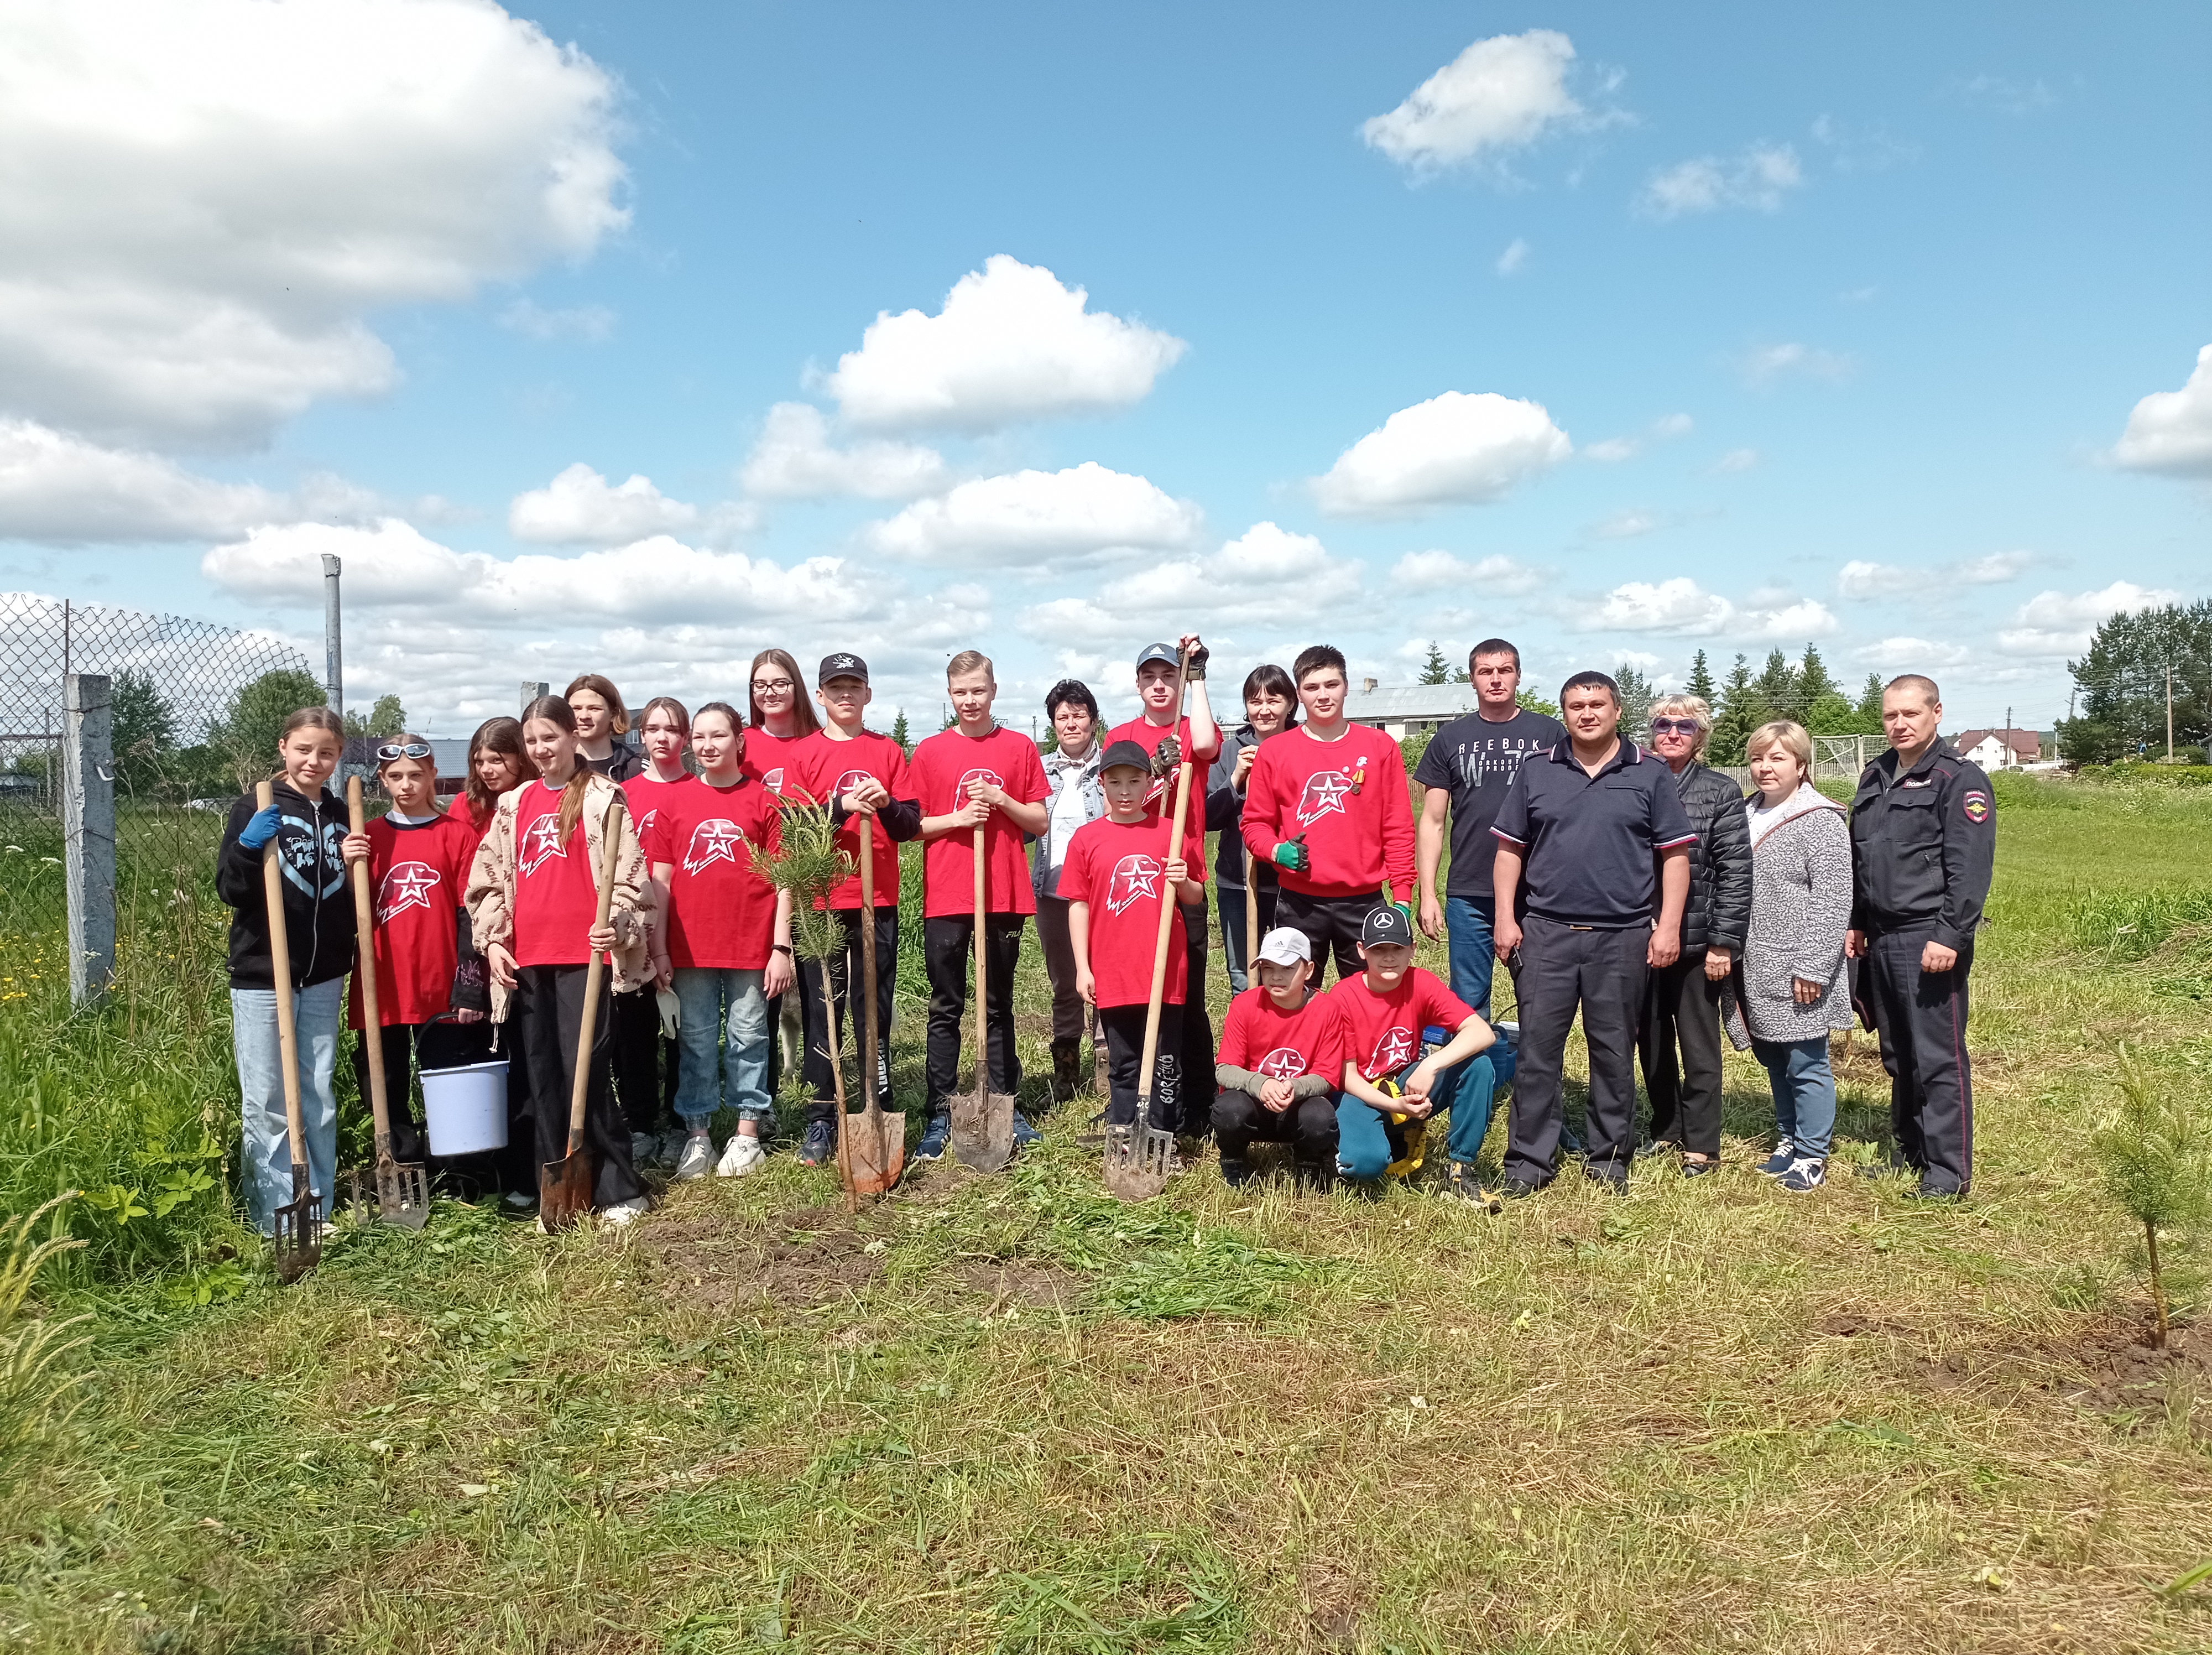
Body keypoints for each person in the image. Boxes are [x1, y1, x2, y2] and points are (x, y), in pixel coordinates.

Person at [1491, 672, 1694, 1194]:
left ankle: (1609, 1158)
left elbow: (1675, 857)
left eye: (1597, 704)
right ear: (1565, 713)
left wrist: (1667, 926)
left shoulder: (1649, 774)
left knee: (1612, 1052)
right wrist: (1505, 917)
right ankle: (1529, 1162)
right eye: (1576, 705)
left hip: (1622, 937)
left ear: (1617, 710)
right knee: (1538, 1052)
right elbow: (1509, 850)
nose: (1587, 713)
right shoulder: (1537, 771)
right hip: (1547, 934)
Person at [466, 694, 653, 1227]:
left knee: (585, 1071)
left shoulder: (603, 798)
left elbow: (631, 881)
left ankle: (618, 1185)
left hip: (584, 961)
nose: (542, 749)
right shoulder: (514, 805)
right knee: (544, 1072)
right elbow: (484, 884)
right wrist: (496, 941)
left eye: (551, 737)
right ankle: (558, 1179)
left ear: (573, 736)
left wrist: (615, 922)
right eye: (532, 741)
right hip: (529, 960)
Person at [1846, 675, 1994, 1199]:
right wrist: (1858, 921)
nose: (1899, 724)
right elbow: (1864, 857)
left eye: (1911, 714)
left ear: (1936, 713)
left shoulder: (1959, 780)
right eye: (1891, 716)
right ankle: (1910, 1151)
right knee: (1898, 1052)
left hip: (1928, 936)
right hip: (1881, 936)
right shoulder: (1876, 775)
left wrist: (1950, 935)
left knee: (1938, 1055)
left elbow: (1970, 868)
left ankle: (1948, 1173)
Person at [217, 705, 359, 1237]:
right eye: (304, 749)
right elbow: (231, 890)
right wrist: (250, 847)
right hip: (263, 971)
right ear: (283, 748)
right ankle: (274, 1213)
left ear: (339, 755)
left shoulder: (345, 813)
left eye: (326, 752)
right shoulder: (255, 807)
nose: (314, 761)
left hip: (324, 972)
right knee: (270, 1096)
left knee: (317, 1090)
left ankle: (315, 1203)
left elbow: (345, 901)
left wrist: (351, 864)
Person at [643, 702, 794, 1180]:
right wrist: (660, 947)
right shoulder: (676, 801)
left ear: (738, 741)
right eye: (701, 738)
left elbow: (784, 880)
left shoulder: (764, 802)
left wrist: (781, 947)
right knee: (696, 1041)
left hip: (750, 943)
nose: (709, 746)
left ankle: (748, 1134)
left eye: (720, 737)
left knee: (749, 1037)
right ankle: (698, 1135)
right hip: (689, 947)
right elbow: (660, 879)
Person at [911, 650, 1050, 1160]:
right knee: (946, 1004)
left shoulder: (1018, 747)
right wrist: (959, 817)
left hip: (1003, 894)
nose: (970, 701)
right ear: (950, 696)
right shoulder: (928, 752)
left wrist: (1000, 800)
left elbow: (1038, 821)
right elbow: (912, 826)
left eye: (978, 690)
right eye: (961, 692)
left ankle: (1006, 1103)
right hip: (947, 896)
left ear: (994, 691)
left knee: (998, 1004)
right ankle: (941, 1110)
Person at [789, 653, 921, 1168]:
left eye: (855, 687)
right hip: (823, 900)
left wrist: (885, 804)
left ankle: (874, 1097)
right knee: (824, 1010)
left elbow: (909, 824)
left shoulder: (887, 751)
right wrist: (841, 806)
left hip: (875, 901)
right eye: (835, 687)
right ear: (820, 696)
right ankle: (824, 1114)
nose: (845, 695)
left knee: (874, 1007)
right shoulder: (805, 754)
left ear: (869, 695)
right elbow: (793, 823)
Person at [345, 735, 489, 1175]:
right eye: (395, 777)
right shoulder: (367, 837)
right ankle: (404, 1164)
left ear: (431, 777)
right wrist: (349, 867)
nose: (405, 785)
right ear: (383, 781)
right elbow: (350, 912)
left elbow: (471, 914)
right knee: (382, 1082)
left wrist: (469, 985)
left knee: (447, 1080)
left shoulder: (457, 836)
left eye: (415, 775)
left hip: (438, 984)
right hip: (383, 983)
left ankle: (455, 1168)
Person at [1724, 720, 1855, 1193]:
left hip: (1798, 963)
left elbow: (1833, 898)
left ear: (1802, 765)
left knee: (1805, 1060)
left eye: (1778, 758)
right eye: (1758, 758)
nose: (1765, 768)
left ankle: (1813, 1153)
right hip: (1754, 962)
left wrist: (1814, 966)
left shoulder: (1820, 819)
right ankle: (1788, 1138)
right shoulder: (1743, 813)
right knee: (1773, 1056)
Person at [1413, 639, 1566, 1022]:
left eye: (1505, 670)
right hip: (1469, 891)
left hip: (1537, 891)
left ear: (1518, 675)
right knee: (1467, 1002)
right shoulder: (1450, 739)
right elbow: (1432, 821)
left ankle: (1537, 1080)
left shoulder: (1550, 735)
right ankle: (1474, 1079)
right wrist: (1428, 893)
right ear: (1472, 679)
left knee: (1540, 998)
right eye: (1486, 672)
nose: (1496, 680)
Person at [1242, 644, 1415, 982]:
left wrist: (1403, 898)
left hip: (1364, 902)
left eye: (1331, 685)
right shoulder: (1275, 752)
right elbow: (1255, 824)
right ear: (1299, 696)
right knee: (1297, 998)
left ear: (1346, 687)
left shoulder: (1380, 748)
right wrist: (1277, 850)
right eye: (1312, 687)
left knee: (1372, 997)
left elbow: (1398, 827)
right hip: (1300, 902)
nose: (1323, 695)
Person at [1103, 637, 1219, 1142]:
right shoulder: (1122, 736)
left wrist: (1198, 678)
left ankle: (1199, 1100)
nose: (1158, 685)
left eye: (1168, 676)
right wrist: (1156, 771)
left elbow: (1210, 747)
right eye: (1150, 677)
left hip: (1182, 876)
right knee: (1134, 995)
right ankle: (1134, 1101)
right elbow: (1120, 803)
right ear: (1137, 684)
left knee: (1186, 999)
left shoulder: (1192, 729)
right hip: (1137, 883)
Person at [1062, 740, 1204, 1143]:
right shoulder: (1088, 840)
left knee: (1164, 1061)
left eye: (1134, 781)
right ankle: (1124, 1131)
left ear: (1149, 784)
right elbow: (1078, 905)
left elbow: (1194, 895)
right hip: (1114, 968)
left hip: (1163, 969)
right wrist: (1083, 967)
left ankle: (1164, 1134)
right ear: (1102, 785)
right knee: (1124, 1060)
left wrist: (1183, 880)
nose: (1125, 792)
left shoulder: (1169, 833)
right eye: (1116, 782)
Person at [1634, 694, 1751, 1177]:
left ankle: (1701, 1144)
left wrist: (1724, 942)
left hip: (1697, 938)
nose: (1673, 733)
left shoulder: (1720, 792)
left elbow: (1737, 873)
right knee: (1652, 1041)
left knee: (1699, 1045)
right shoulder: (1633, 781)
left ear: (1700, 736)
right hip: (1639, 935)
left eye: (1685, 726)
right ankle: (1666, 1128)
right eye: (1664, 724)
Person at [1328, 905, 1496, 1200]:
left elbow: (1482, 1032)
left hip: (1405, 1083)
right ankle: (1365, 1142)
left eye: (1398, 947)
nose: (1389, 957)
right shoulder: (1343, 996)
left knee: (1478, 1064)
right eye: (1378, 949)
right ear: (1361, 951)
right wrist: (1397, 1108)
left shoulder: (1422, 982)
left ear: (1413, 950)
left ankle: (1460, 1169)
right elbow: (1346, 1077)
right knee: (1367, 1168)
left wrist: (1430, 1065)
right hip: (1360, 1093)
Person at [447, 715, 538, 1204]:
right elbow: (470, 898)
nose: (487, 768)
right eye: (479, 760)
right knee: (483, 1064)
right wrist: (469, 979)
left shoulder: (535, 800)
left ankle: (529, 1165)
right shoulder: (466, 809)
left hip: (531, 947)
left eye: (497, 758)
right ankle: (482, 1170)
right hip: (479, 947)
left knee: (526, 1061)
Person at [618, 696, 695, 1167]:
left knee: (682, 1031)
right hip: (633, 930)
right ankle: (641, 1122)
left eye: (672, 729)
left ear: (684, 737)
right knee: (635, 1031)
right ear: (641, 737)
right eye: (653, 729)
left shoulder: (698, 789)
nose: (662, 737)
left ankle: (682, 1121)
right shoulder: (623, 794)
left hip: (685, 926)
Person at [1211, 927, 1342, 1188]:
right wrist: (1260, 1084)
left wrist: (1296, 1086)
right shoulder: (1245, 1004)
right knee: (1229, 1111)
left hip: (1299, 1105)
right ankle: (1233, 1158)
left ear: (1309, 970)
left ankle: (1309, 1160)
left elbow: (1327, 1076)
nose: (1276, 977)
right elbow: (1224, 1068)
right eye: (1268, 968)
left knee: (1320, 1118)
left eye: (1287, 968)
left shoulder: (1328, 1009)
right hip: (1254, 1105)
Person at [1032, 679, 1105, 1094]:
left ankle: (1106, 1063)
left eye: (1079, 715)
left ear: (1093, 721)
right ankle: (1065, 1067)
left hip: (1102, 892)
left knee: (1103, 976)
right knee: (1064, 980)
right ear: (1053, 725)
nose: (1071, 723)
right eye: (1063, 717)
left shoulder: (1112, 769)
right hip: (1053, 892)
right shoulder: (1040, 771)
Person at [1208, 663, 1297, 993]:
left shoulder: (1303, 745)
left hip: (1291, 880)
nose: (1264, 710)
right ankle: (1251, 1039)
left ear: (1291, 703)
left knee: (1289, 968)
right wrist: (1236, 778)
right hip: (1238, 880)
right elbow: (1209, 818)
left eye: (1273, 701)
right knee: (1244, 974)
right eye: (1255, 702)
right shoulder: (1231, 751)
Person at [744, 646, 823, 800]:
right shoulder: (740, 743)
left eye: (780, 684)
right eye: (760, 685)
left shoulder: (820, 742)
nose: (770, 693)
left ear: (797, 687)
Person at [567, 673, 641, 783]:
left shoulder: (636, 768)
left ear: (613, 714)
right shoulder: (553, 765)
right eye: (576, 709)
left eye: (594, 709)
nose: (584, 716)